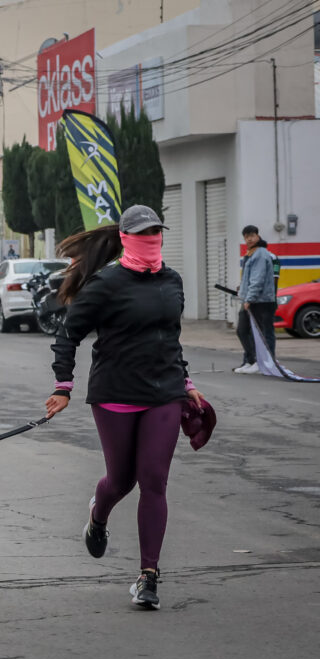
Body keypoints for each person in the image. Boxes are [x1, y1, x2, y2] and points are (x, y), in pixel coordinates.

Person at [44, 205, 207, 611]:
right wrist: (63, 385)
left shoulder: (172, 281)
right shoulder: (106, 284)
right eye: (144, 232)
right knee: (121, 482)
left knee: (154, 480)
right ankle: (97, 518)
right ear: (126, 238)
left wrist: (184, 382)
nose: (152, 238)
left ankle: (148, 576)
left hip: (163, 392)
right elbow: (69, 334)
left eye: (157, 231)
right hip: (116, 392)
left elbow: (171, 337)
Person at [234, 225, 277, 374]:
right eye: (246, 237)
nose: (249, 239)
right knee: (243, 330)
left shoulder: (260, 254)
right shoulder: (251, 254)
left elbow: (258, 279)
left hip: (261, 301)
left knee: (262, 333)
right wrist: (243, 289)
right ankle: (250, 360)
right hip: (251, 299)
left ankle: (264, 362)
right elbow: (250, 278)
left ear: (258, 236)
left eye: (252, 236)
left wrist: (249, 298)